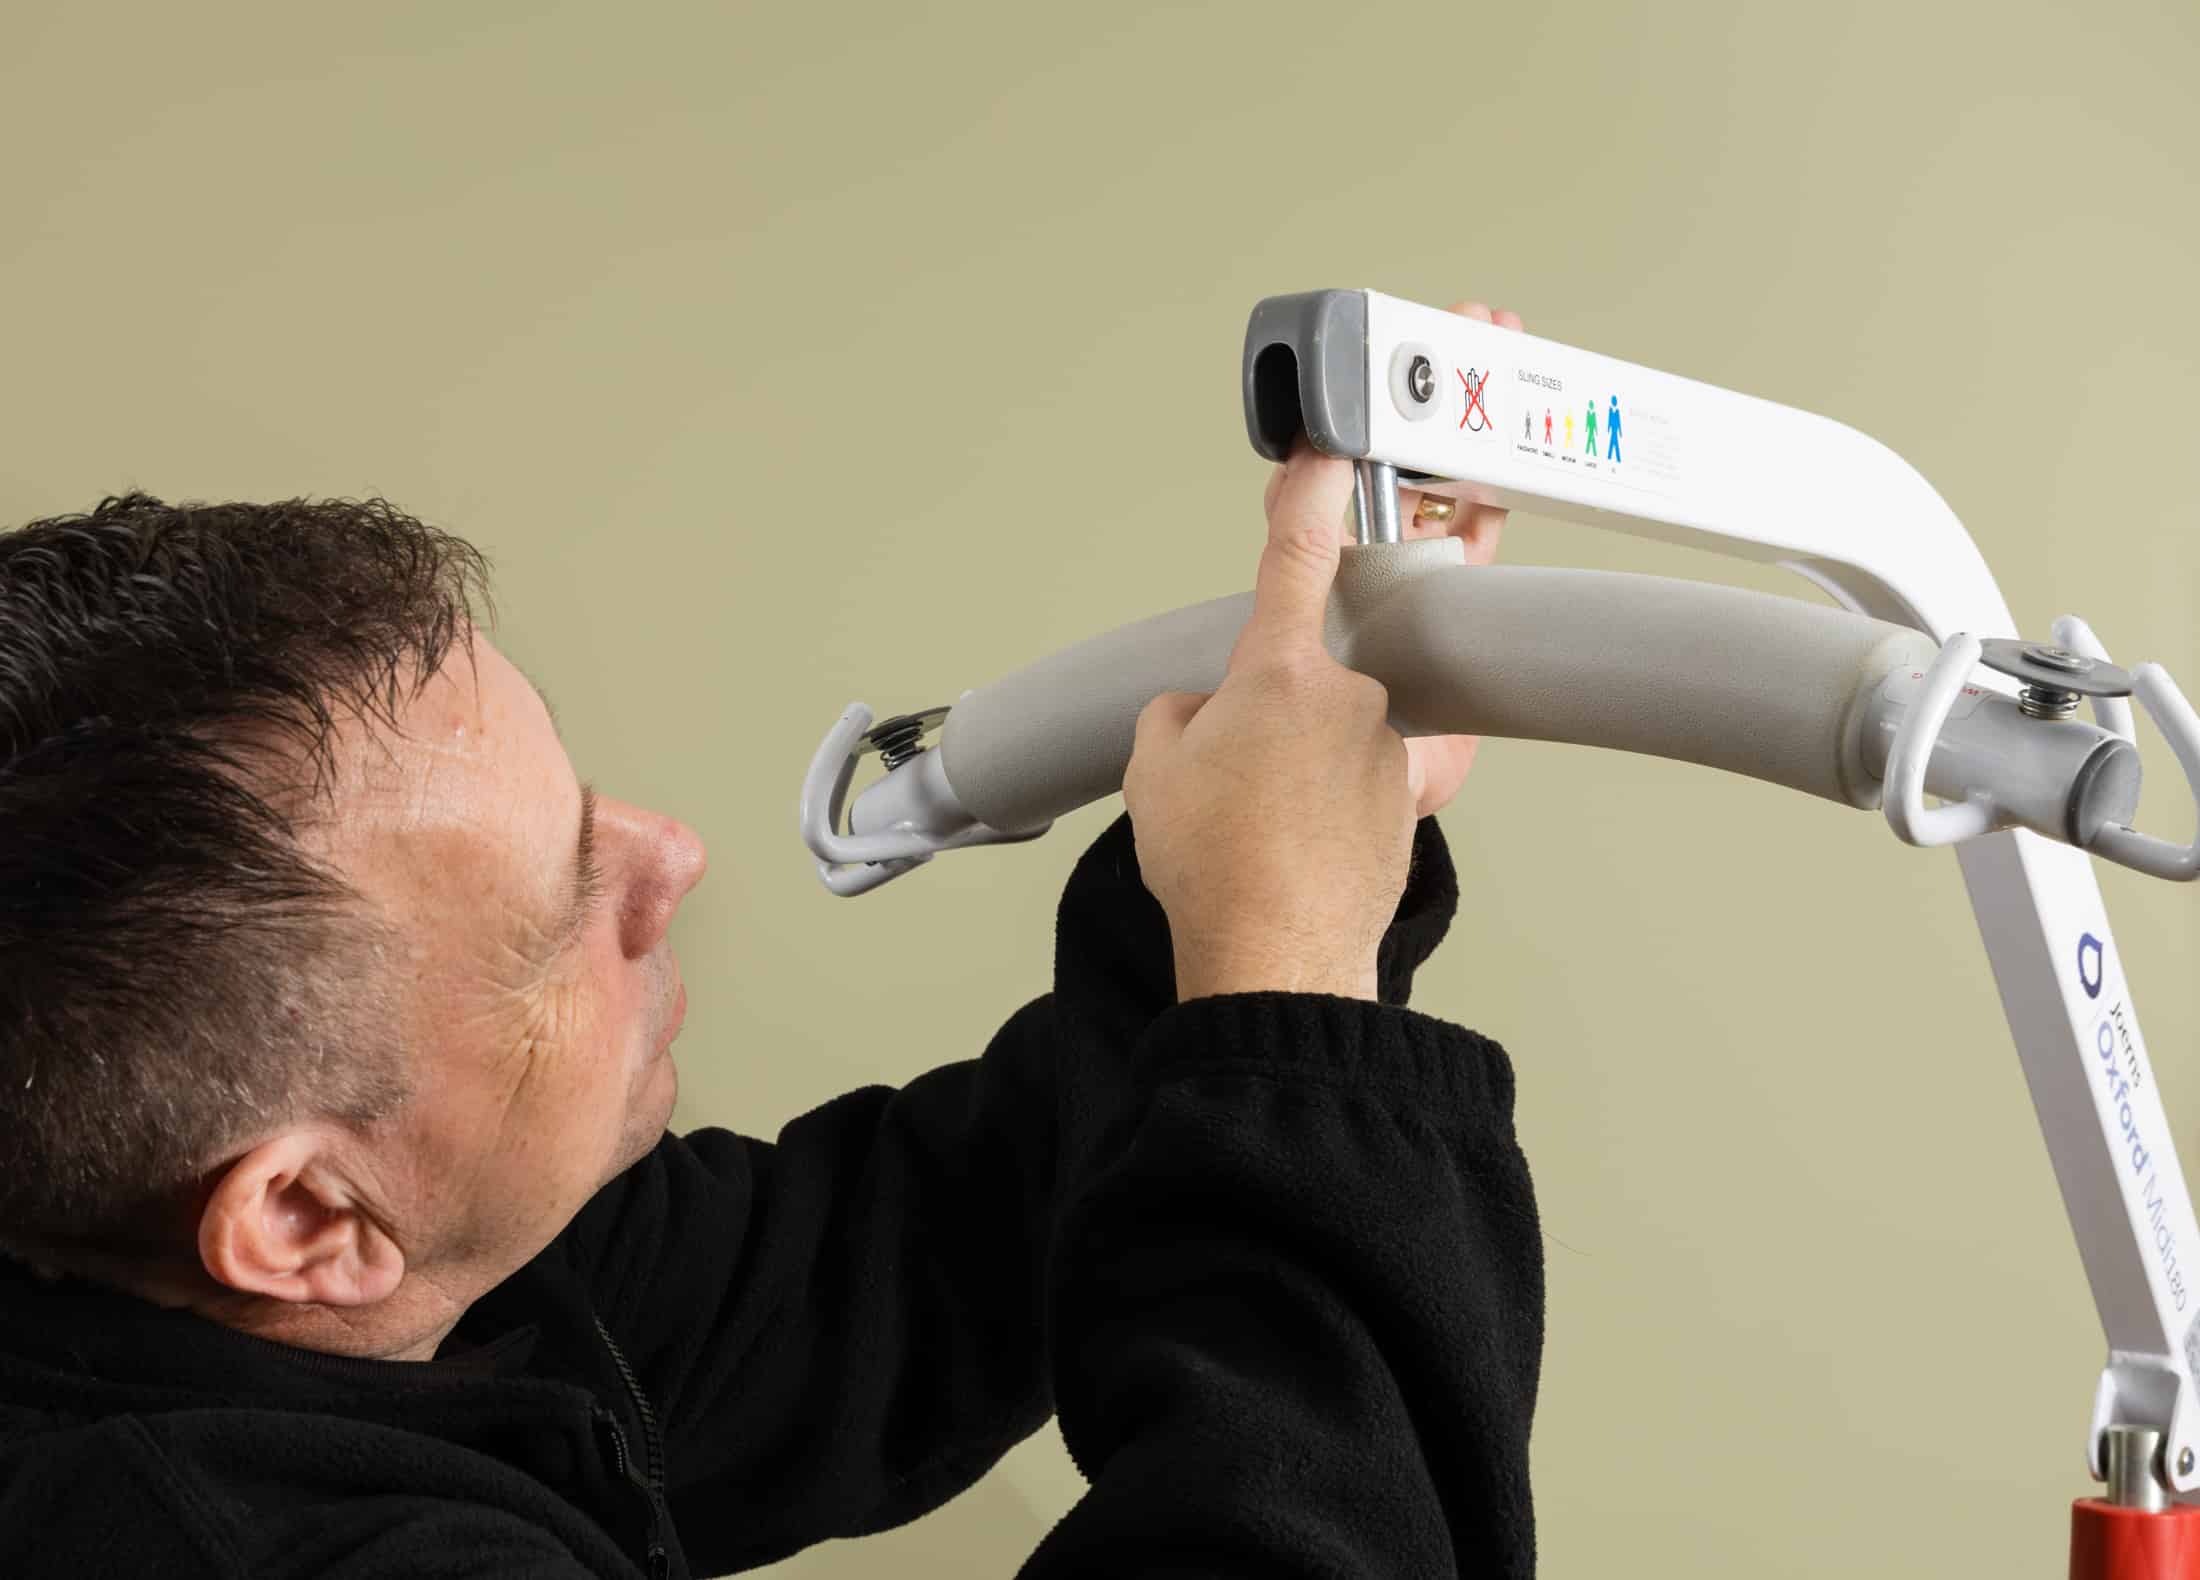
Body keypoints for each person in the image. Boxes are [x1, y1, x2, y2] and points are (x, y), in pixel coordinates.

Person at [0, 302, 1545, 1578]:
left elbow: (898, 1274)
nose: (673, 860)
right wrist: (1289, 978)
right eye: (559, 908)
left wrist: (1254, 886)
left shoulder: (409, 1264)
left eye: (590, 805)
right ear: (307, 1221)